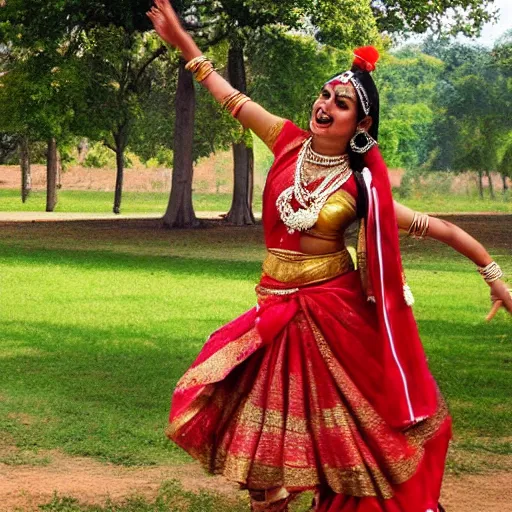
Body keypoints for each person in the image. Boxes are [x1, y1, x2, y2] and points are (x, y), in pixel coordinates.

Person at [147, 2, 512, 511]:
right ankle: (269, 498)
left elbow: (438, 228)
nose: (325, 105)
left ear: (360, 123)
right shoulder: (286, 142)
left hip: (332, 314)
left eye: (340, 103)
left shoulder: (362, 187)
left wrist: (494, 275)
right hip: (275, 306)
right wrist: (184, 43)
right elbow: (230, 97)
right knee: (241, 402)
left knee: (356, 425)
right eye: (324, 95)